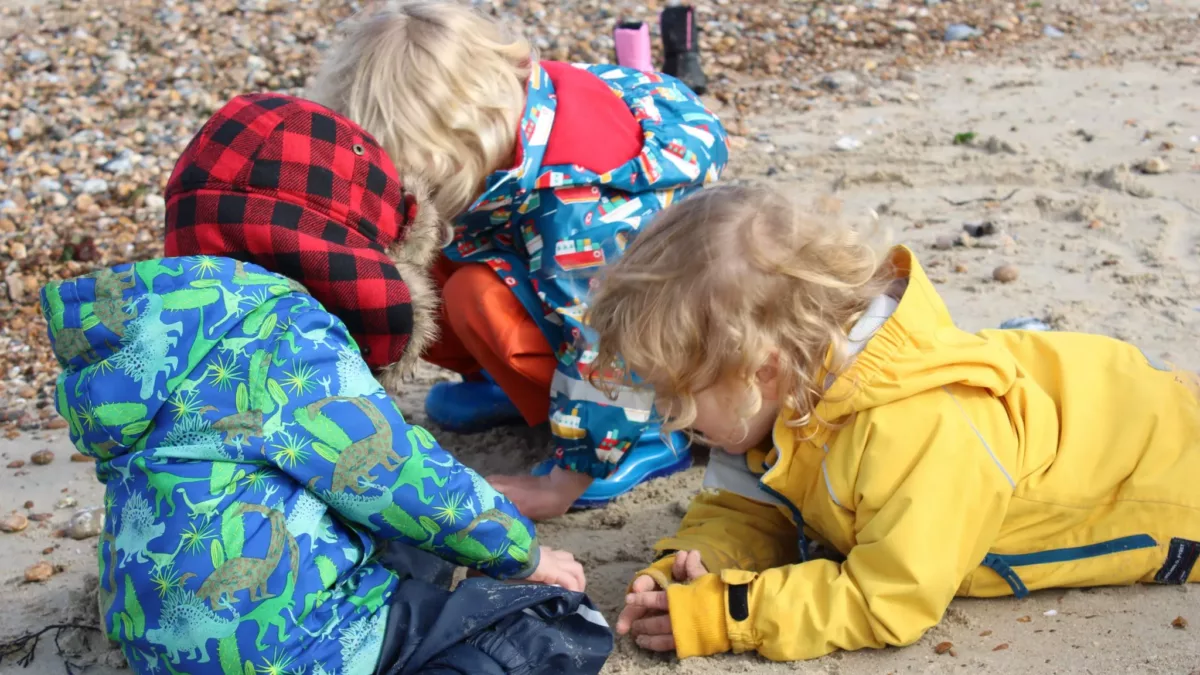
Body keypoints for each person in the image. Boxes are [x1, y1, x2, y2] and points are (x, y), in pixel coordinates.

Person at [42, 93, 611, 675]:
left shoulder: (155, 336)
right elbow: (392, 470)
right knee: (553, 628)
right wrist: (521, 553)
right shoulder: (283, 329)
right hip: (287, 648)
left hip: (165, 648)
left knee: (397, 543)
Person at [585, 182, 1200, 661]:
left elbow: (890, 598)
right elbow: (751, 506)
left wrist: (732, 613)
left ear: (759, 370)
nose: (671, 416)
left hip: (1176, 479)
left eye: (677, 395)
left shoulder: (920, 427)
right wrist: (701, 560)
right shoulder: (775, 400)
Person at [307, 0, 730, 519]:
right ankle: (515, 385)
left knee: (475, 293)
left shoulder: (578, 205)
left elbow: (607, 345)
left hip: (650, 352)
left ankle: (643, 439)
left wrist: (565, 480)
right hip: (559, 254)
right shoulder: (516, 99)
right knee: (427, 258)